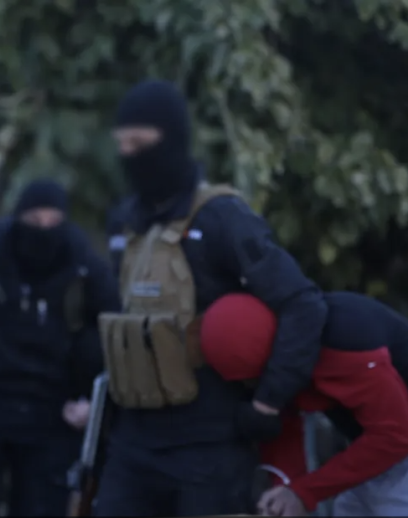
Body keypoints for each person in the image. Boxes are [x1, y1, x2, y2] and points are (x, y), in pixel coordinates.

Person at [92, 79, 328, 516]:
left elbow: (302, 304)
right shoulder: (125, 222)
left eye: (139, 143)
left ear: (172, 139)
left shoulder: (222, 219)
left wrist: (267, 402)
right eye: (121, 144)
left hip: (209, 447)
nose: (128, 155)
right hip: (132, 444)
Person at [0, 179, 119, 516]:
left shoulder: (83, 266)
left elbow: (113, 332)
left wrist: (92, 403)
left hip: (53, 410)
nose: (43, 230)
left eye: (52, 221)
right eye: (34, 220)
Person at [201, 291, 408, 517]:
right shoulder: (286, 346)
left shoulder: (345, 343)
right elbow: (286, 423)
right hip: (376, 452)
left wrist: (304, 492)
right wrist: (284, 492)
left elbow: (395, 435)